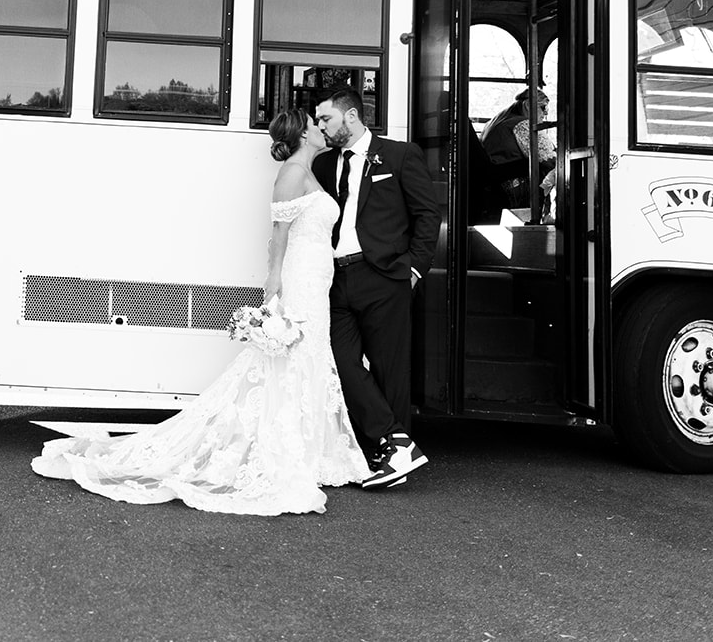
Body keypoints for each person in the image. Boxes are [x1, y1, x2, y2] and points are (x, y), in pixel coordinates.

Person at [30, 111, 371, 515]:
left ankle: (311, 451)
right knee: (292, 356)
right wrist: (274, 280)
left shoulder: (309, 170)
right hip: (299, 276)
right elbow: (278, 234)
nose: (321, 127)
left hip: (317, 278)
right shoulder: (292, 174)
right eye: (315, 123)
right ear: (302, 133)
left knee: (310, 355)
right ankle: (285, 451)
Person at [311, 88, 440, 489]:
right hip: (336, 278)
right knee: (340, 361)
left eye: (325, 119)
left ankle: (387, 459)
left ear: (350, 117)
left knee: (389, 369)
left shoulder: (399, 155)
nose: (321, 127)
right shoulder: (324, 163)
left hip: (385, 277)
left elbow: (426, 214)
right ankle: (397, 443)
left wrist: (414, 270)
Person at [479, 87, 557, 213]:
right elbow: (550, 162)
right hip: (516, 189)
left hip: (496, 187)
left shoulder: (497, 121)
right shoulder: (523, 124)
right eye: (543, 107)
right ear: (527, 105)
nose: (546, 113)